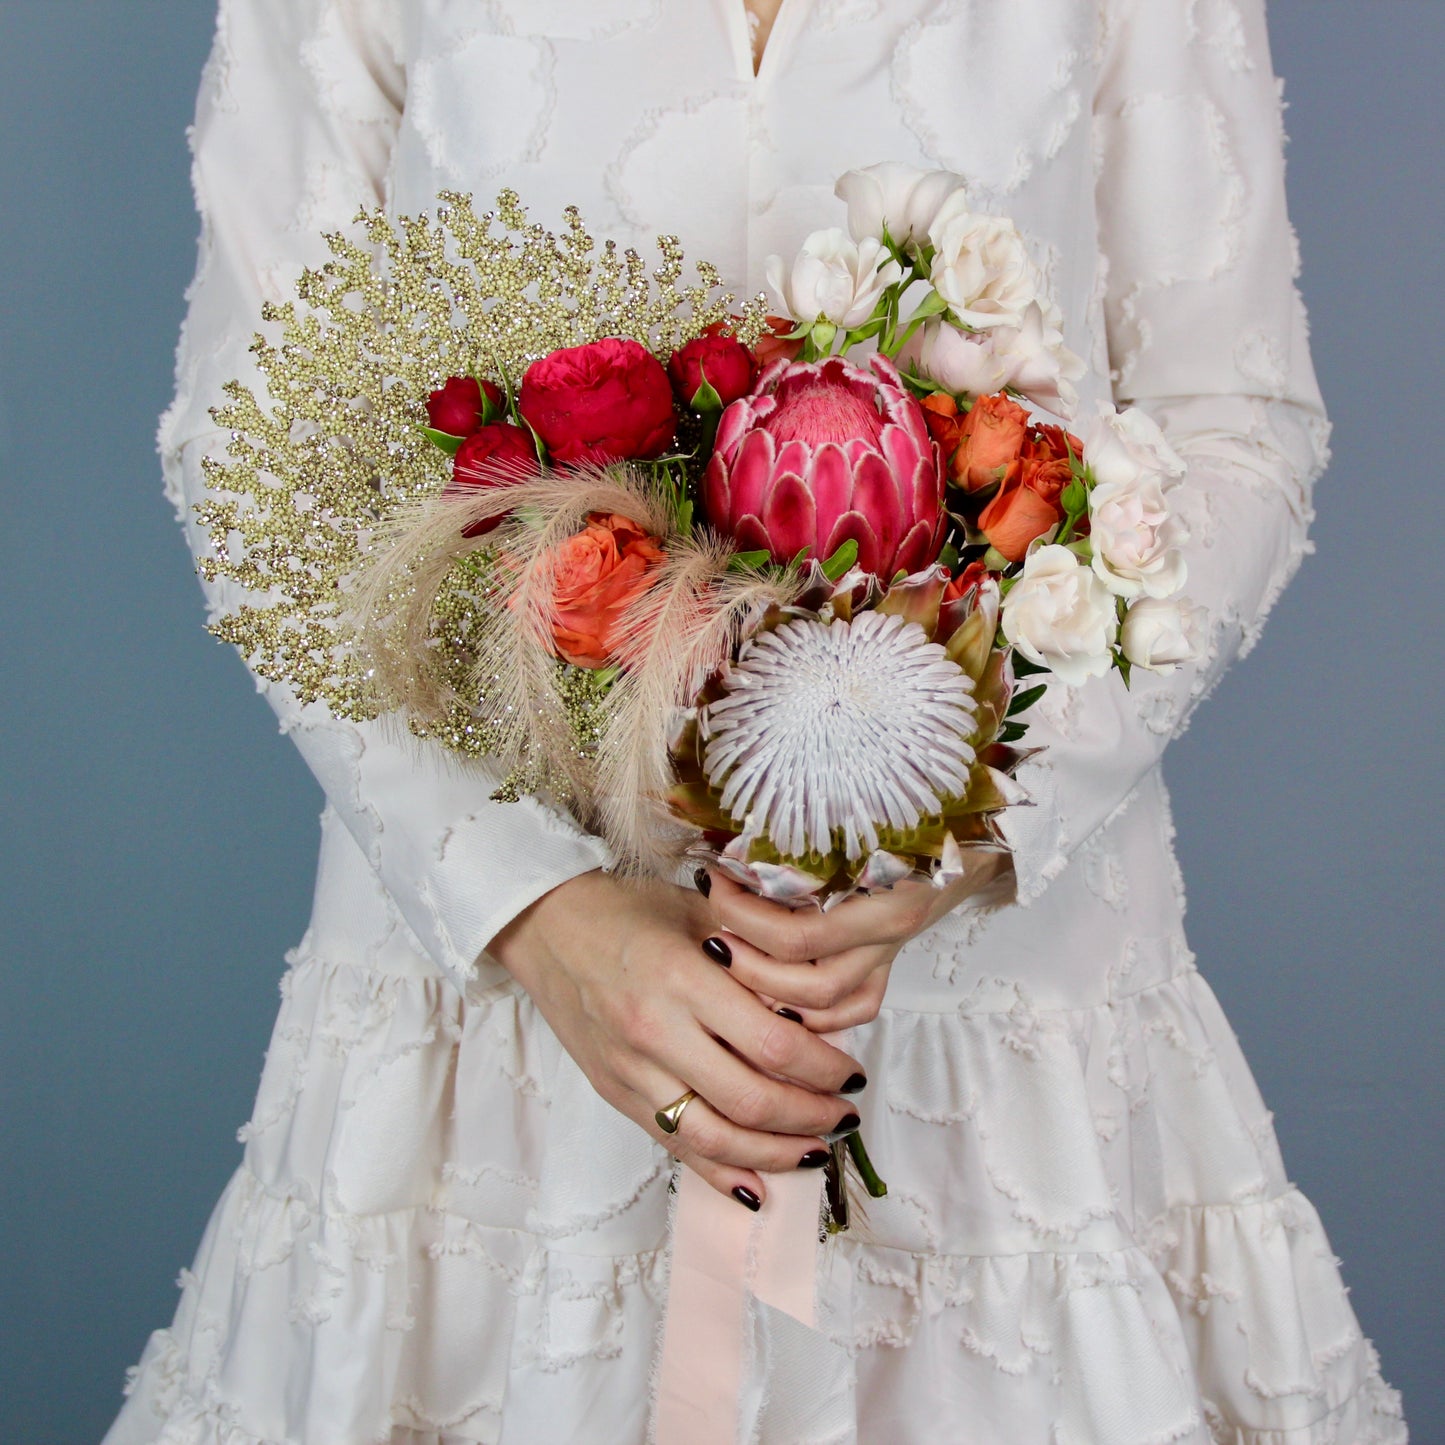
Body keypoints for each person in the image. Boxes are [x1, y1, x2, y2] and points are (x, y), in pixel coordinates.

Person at [105, 2, 1408, 1442]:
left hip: (993, 1029)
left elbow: (1232, 420)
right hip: (507, 1046)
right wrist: (530, 912)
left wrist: (978, 820)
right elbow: (253, 445)